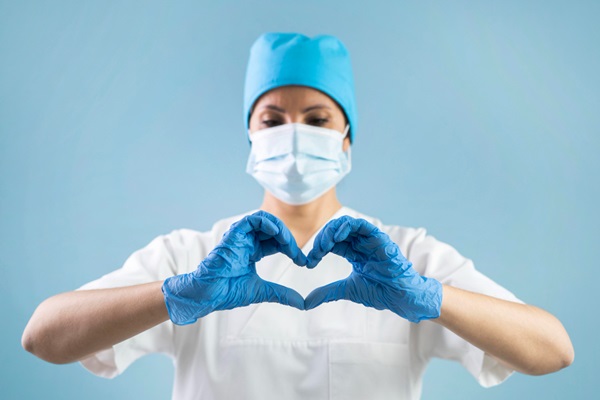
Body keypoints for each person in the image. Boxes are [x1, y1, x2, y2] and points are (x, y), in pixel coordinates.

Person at [22, 32, 574, 400]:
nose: (292, 134)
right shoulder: (194, 256)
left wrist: (431, 297)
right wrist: (174, 294)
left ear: (346, 137)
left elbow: (553, 350)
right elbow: (43, 336)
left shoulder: (406, 257)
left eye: (317, 118)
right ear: (250, 135)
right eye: (272, 119)